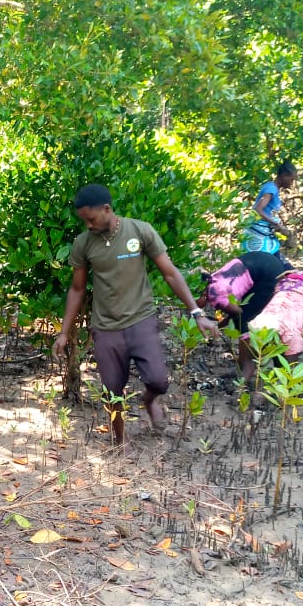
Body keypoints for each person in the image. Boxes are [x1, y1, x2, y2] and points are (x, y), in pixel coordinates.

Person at [53, 184, 219, 446]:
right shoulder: (83, 244)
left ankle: (149, 399)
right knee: (112, 392)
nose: (88, 226)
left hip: (141, 319)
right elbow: (77, 288)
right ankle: (119, 443)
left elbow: (170, 273)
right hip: (106, 327)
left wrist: (197, 313)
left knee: (158, 380)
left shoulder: (140, 231)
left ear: (106, 210)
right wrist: (64, 333)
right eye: (84, 221)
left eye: (91, 219)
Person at [199, 251, 289, 380]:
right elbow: (235, 311)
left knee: (245, 322)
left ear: (202, 294)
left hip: (268, 274)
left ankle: (246, 369)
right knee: (244, 317)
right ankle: (246, 366)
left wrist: (219, 326)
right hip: (263, 263)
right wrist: (219, 325)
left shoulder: (216, 296)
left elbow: (239, 313)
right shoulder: (212, 281)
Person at [248, 270, 303, 361]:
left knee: (254, 358)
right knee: (289, 365)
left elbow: (280, 277)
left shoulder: (300, 274)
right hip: (289, 323)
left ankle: (245, 374)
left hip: (266, 318)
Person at [242, 161, 297, 255]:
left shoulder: (272, 188)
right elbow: (258, 209)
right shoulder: (271, 189)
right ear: (284, 176)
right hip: (258, 234)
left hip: (262, 232)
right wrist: (276, 224)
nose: (292, 183)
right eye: (291, 179)